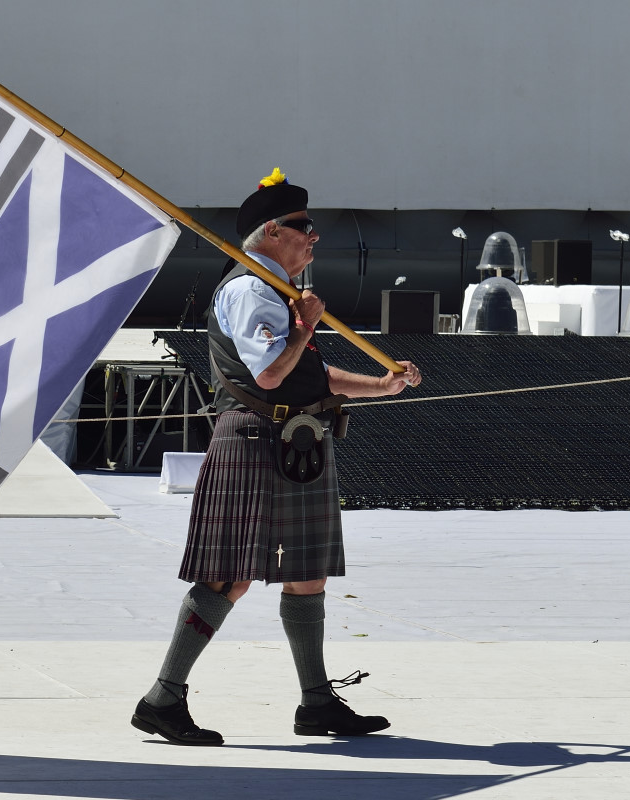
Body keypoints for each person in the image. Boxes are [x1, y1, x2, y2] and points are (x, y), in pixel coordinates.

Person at [131, 167, 422, 745]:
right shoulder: (250, 290)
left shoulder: (278, 293)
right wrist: (304, 326)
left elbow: (310, 375)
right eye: (303, 226)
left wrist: (381, 385)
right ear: (271, 232)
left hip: (295, 442)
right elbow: (268, 373)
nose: (313, 236)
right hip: (256, 441)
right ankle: (162, 699)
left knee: (307, 576)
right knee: (228, 578)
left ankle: (317, 704)